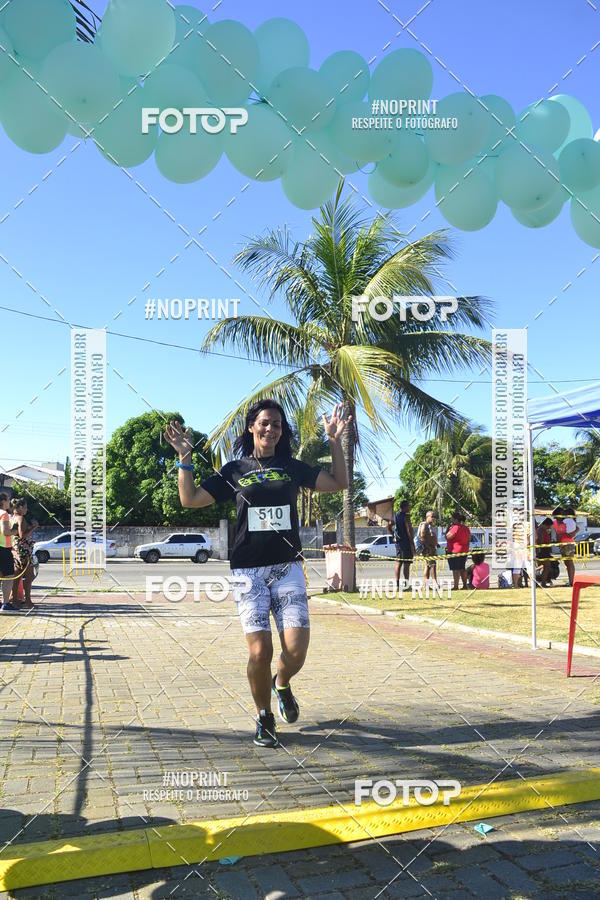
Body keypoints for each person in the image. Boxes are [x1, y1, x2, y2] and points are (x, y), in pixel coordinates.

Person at [164, 399, 350, 749]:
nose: (270, 429)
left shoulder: (292, 467)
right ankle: (264, 716)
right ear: (252, 427)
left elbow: (339, 482)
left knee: (295, 650)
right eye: (264, 422)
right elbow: (189, 499)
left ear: (282, 432)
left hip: (288, 568)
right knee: (259, 650)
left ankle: (281, 683)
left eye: (277, 424)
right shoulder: (234, 469)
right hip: (247, 570)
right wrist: (185, 458)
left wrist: (335, 441)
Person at [10, 498, 37, 608]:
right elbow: (22, 535)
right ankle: (28, 601)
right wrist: (34, 527)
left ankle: (15, 599)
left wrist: (29, 527)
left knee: (17, 576)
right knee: (29, 576)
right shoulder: (20, 518)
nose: (26, 510)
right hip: (23, 550)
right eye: (25, 507)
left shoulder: (12, 518)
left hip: (16, 549)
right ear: (20, 507)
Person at [391, 499, 415, 589]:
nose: (410, 507)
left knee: (398, 563)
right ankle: (406, 584)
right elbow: (409, 530)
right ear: (404, 507)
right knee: (406, 564)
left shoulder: (395, 516)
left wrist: (393, 535)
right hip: (405, 543)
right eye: (408, 506)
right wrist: (412, 543)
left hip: (398, 543)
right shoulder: (406, 517)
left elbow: (389, 525)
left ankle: (397, 584)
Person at [0, 493, 17, 612]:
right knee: (9, 576)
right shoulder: (4, 514)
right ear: (3, 501)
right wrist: (14, 531)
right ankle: (6, 603)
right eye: (8, 499)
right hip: (3, 548)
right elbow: (5, 531)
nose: (9, 501)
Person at [553, 505, 577, 587]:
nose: (556, 518)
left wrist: (568, 534)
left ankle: (572, 581)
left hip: (569, 544)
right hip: (562, 544)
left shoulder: (567, 521)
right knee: (567, 563)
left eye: (557, 517)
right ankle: (570, 581)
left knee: (569, 563)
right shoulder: (557, 523)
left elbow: (575, 529)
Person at [445, 512, 470, 589]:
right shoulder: (466, 528)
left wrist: (448, 528)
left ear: (455, 519)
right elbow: (469, 538)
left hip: (454, 550)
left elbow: (448, 537)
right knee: (462, 568)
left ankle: (456, 586)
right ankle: (465, 585)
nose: (451, 520)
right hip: (464, 550)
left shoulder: (455, 527)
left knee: (455, 569)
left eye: (452, 518)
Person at [417, 510, 439, 585]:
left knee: (428, 566)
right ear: (427, 517)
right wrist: (428, 547)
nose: (433, 518)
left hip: (432, 548)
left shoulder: (430, 526)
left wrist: (437, 544)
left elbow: (431, 536)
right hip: (427, 549)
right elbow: (422, 537)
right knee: (432, 565)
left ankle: (426, 584)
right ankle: (434, 583)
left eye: (434, 517)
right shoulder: (424, 525)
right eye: (432, 517)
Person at [535, 517, 554, 587]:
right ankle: (543, 583)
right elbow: (540, 541)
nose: (549, 527)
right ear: (546, 524)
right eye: (549, 526)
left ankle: (543, 582)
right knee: (547, 567)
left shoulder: (543, 530)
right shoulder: (541, 530)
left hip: (544, 550)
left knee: (546, 567)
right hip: (543, 550)